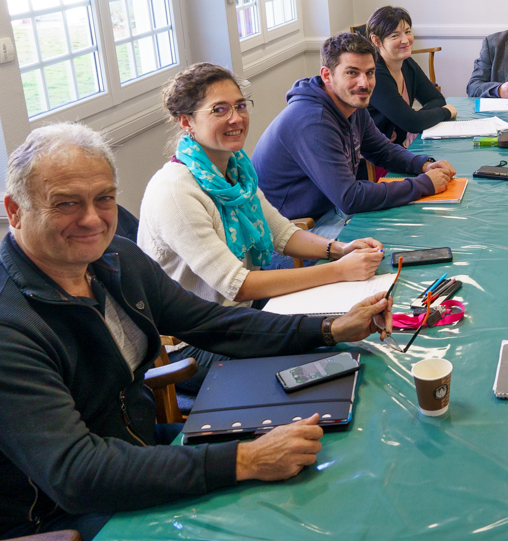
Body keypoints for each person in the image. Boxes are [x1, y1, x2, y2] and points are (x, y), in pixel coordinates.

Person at [0, 123, 393, 541]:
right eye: (66, 203)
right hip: (59, 515)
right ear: (15, 210)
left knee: (325, 453)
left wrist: (329, 328)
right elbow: (77, 473)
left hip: (143, 448)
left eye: (103, 198)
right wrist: (245, 460)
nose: (92, 219)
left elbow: (213, 324)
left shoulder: (116, 258)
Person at [137, 63, 388, 389]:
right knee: (328, 363)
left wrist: (339, 250)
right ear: (187, 121)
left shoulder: (235, 170)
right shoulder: (175, 191)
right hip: (192, 344)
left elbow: (280, 233)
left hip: (240, 316)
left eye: (240, 106)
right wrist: (339, 269)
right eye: (219, 110)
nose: (236, 118)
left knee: (349, 342)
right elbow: (237, 285)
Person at [253, 33, 457, 221]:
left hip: (329, 211)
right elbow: (350, 198)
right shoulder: (313, 122)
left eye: (370, 73)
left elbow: (381, 150)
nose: (364, 83)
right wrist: (423, 184)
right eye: (352, 73)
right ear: (326, 75)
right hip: (297, 234)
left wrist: (423, 164)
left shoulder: (350, 102)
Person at [366, 6, 457, 149]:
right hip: (375, 159)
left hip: (399, 149)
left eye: (407, 32)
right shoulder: (374, 74)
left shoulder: (406, 63)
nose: (405, 40)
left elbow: (437, 99)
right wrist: (446, 112)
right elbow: (412, 122)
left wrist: (416, 120)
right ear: (376, 41)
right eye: (395, 35)